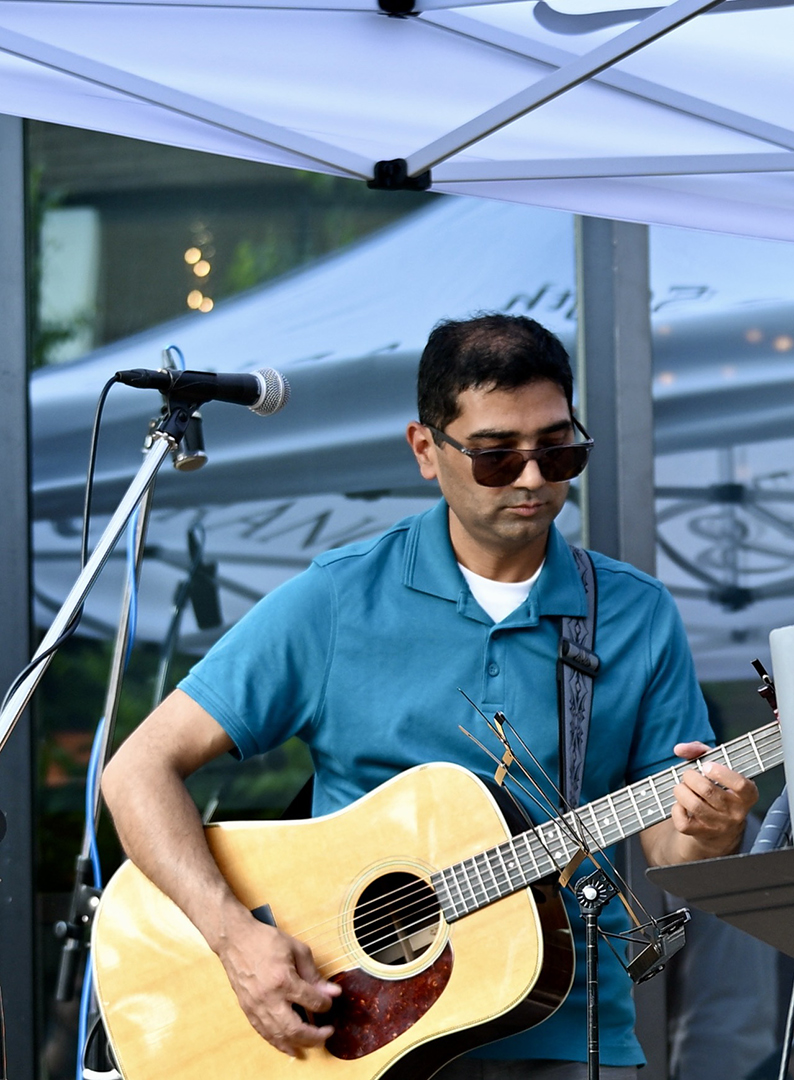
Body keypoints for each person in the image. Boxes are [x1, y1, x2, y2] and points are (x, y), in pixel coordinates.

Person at [101, 313, 756, 1079]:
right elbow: (136, 771)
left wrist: (712, 830)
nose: (533, 478)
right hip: (357, 1047)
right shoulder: (338, 600)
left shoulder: (635, 613)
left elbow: (671, 846)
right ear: (425, 449)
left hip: (570, 1037)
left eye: (558, 449)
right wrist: (234, 935)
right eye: (496, 456)